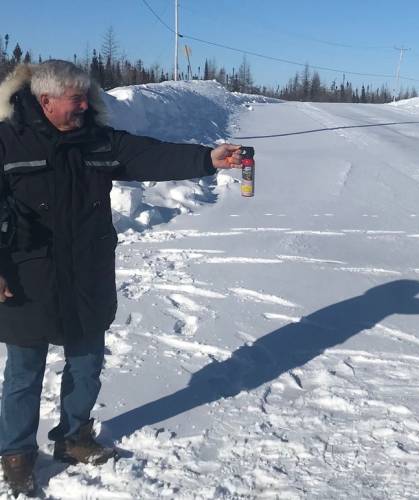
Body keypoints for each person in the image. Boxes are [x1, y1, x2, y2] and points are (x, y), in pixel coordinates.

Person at [0, 60, 245, 496]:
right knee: (24, 372)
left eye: (86, 96)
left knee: (87, 362)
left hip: (87, 272)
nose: (86, 105)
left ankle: (74, 438)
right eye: (77, 99)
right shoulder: (6, 141)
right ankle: (16, 454)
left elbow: (150, 154)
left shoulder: (98, 139)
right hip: (26, 274)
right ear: (46, 102)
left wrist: (207, 158)